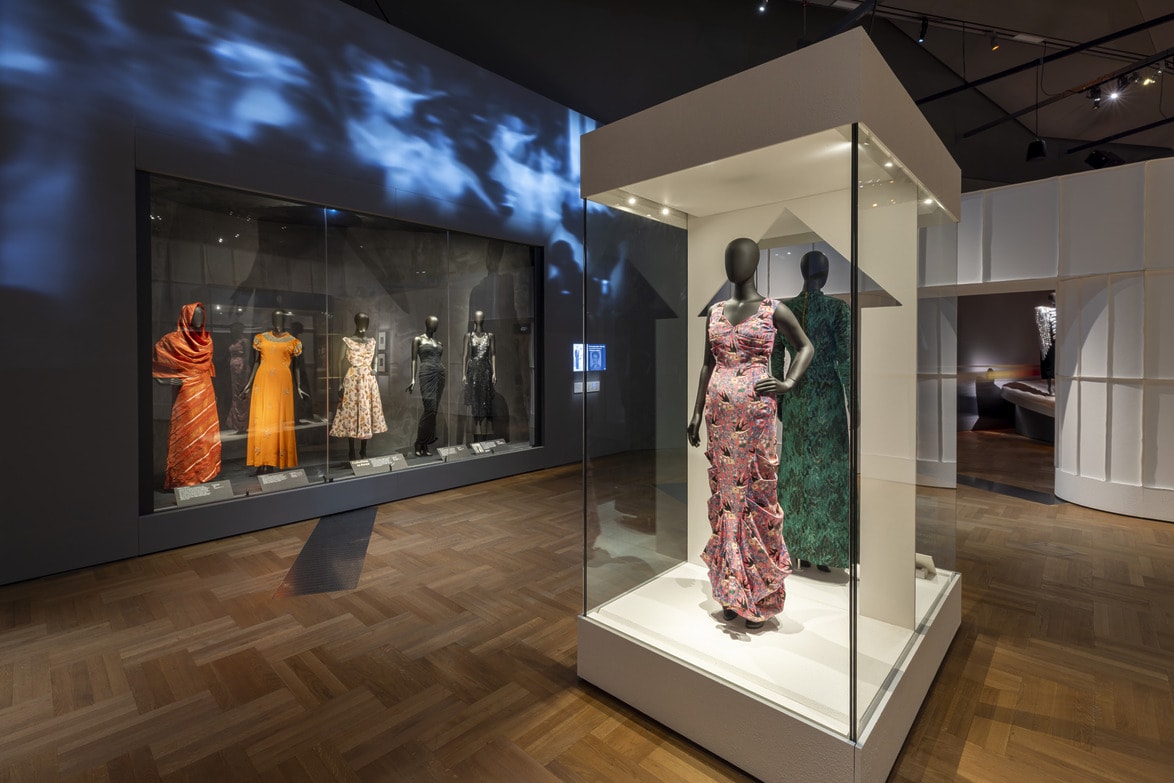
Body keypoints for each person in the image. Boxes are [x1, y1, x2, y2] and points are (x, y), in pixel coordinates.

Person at [686, 238, 814, 630]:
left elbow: (805, 347)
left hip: (756, 417)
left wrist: (789, 381)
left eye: (739, 257)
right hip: (720, 417)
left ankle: (757, 592)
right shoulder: (715, 311)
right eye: (728, 256)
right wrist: (694, 412)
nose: (733, 263)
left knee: (756, 495)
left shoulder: (773, 309)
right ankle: (730, 589)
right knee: (727, 499)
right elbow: (708, 364)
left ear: (754, 263)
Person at [772, 250, 851, 572]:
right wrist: (853, 402)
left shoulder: (783, 307)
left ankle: (796, 546)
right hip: (827, 393)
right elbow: (846, 359)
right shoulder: (837, 309)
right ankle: (823, 552)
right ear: (826, 275)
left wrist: (778, 397)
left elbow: (776, 355)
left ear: (804, 273)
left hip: (797, 394)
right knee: (826, 472)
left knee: (796, 469)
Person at [152, 302, 222, 489]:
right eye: (195, 315)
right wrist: (165, 380)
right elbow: (154, 365)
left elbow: (207, 368)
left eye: (201, 315)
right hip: (186, 392)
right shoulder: (171, 340)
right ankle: (183, 477)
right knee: (185, 434)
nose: (199, 319)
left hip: (205, 390)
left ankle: (204, 474)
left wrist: (213, 393)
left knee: (205, 435)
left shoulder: (206, 341)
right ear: (187, 316)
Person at [242, 309, 308, 473]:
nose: (277, 321)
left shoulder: (293, 342)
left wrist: (299, 386)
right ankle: (261, 459)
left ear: (285, 320)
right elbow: (256, 363)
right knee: (263, 419)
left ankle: (272, 460)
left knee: (278, 421)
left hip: (282, 384)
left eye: (280, 318)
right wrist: (248, 384)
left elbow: (297, 367)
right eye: (274, 318)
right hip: (263, 381)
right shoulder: (260, 338)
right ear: (271, 319)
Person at [330, 312, 388, 460]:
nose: (363, 326)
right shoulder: (347, 341)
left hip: (368, 380)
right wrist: (339, 384)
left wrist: (374, 368)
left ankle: (363, 450)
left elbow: (374, 358)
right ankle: (351, 450)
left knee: (366, 412)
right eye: (361, 322)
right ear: (356, 323)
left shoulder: (372, 341)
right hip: (353, 379)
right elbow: (338, 362)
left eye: (366, 323)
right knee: (351, 412)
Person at [406, 315, 446, 457]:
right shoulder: (418, 339)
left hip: (440, 374)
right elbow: (413, 360)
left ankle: (425, 444)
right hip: (426, 374)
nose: (434, 326)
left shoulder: (438, 341)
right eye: (432, 323)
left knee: (433, 411)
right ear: (427, 323)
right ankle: (419, 442)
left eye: (436, 324)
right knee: (429, 409)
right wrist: (412, 378)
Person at [462, 310, 497, 442]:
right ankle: (476, 437)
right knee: (475, 403)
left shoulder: (490, 336)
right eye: (477, 317)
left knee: (485, 403)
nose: (479, 319)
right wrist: (464, 374)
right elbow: (465, 355)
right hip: (473, 372)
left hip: (485, 370)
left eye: (481, 317)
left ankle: (483, 436)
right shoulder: (468, 336)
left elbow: (493, 354)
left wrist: (494, 372)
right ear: (474, 319)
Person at [223, 322, 252, 433]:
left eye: (235, 329)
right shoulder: (233, 342)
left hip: (242, 368)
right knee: (235, 394)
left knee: (243, 394)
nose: (233, 332)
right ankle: (237, 424)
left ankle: (243, 423)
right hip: (233, 370)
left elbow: (247, 357)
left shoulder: (244, 341)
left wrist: (243, 370)